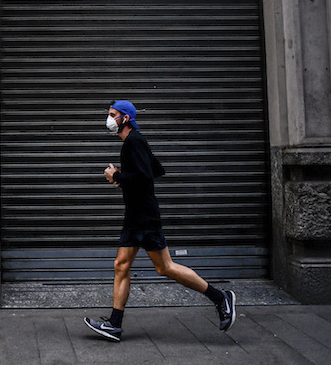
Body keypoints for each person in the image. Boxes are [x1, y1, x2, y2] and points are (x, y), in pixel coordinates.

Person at [83, 100, 236, 342]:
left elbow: (143, 177)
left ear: (125, 118)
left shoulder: (133, 141)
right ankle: (114, 324)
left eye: (113, 115)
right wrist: (124, 179)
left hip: (143, 216)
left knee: (165, 267)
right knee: (121, 265)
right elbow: (156, 169)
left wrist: (117, 175)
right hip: (137, 214)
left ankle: (221, 298)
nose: (109, 120)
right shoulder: (136, 141)